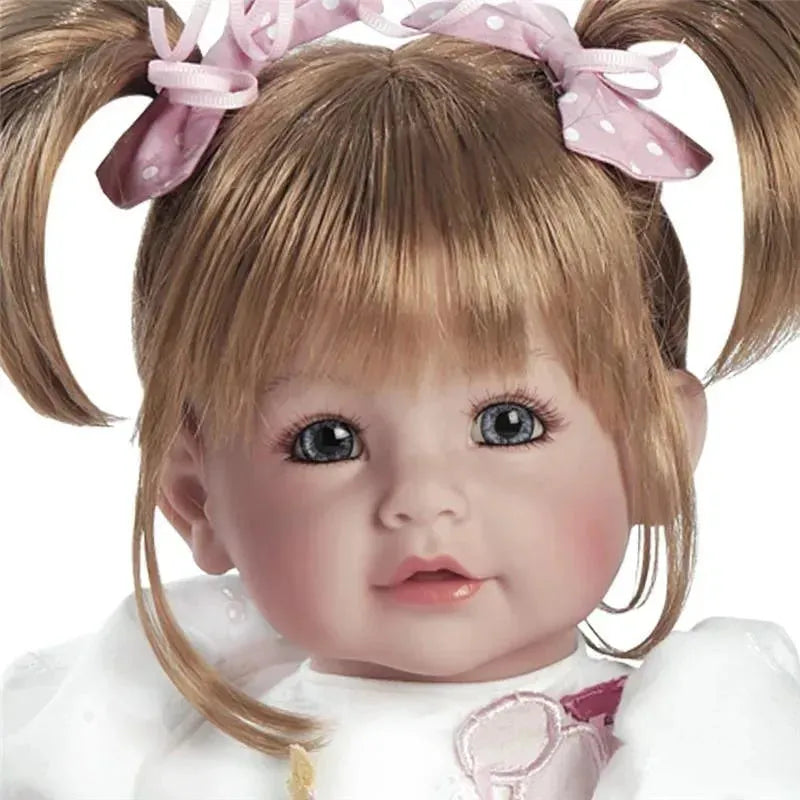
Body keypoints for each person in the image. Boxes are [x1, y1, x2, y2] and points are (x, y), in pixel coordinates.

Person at [1, 0, 799, 798]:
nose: (421, 498)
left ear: (654, 448)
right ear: (194, 495)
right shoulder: (139, 756)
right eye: (327, 440)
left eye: (507, 424)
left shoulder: (709, 754)